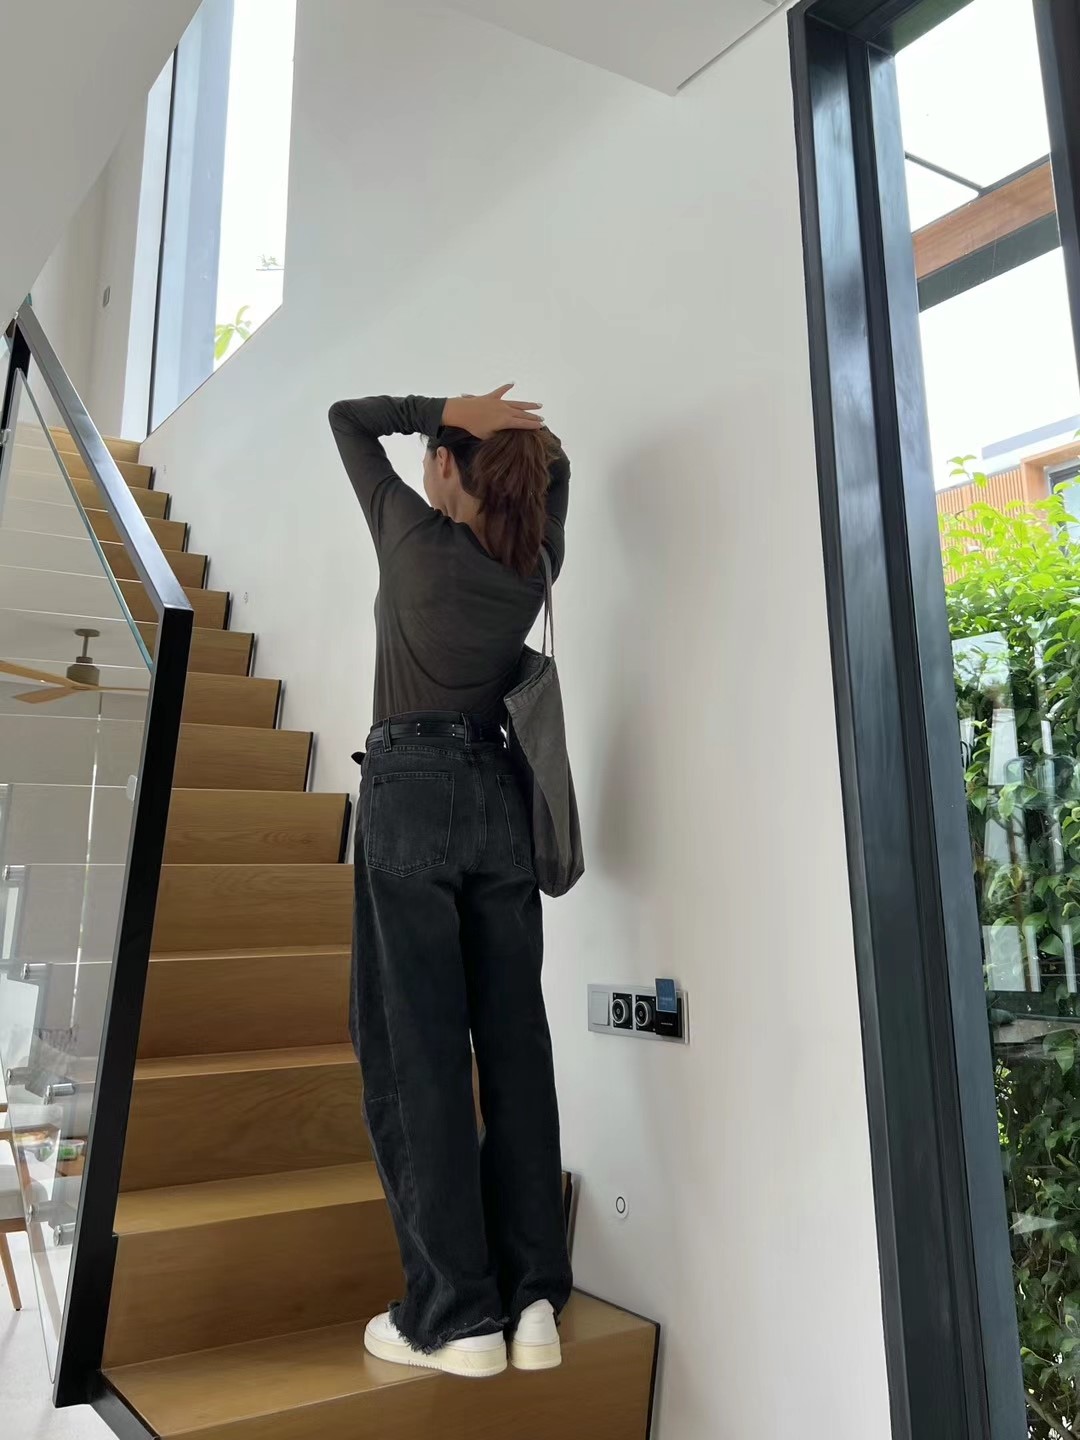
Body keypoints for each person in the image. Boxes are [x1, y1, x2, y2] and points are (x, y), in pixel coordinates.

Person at [328, 385, 573, 1379]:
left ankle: (456, 1313)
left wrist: (445, 405)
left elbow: (346, 418)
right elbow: (558, 468)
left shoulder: (410, 537)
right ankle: (533, 1301)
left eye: (435, 451)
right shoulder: (534, 561)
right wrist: (499, 429)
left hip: (410, 795)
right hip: (500, 798)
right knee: (515, 1046)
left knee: (413, 1052)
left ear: (441, 467)